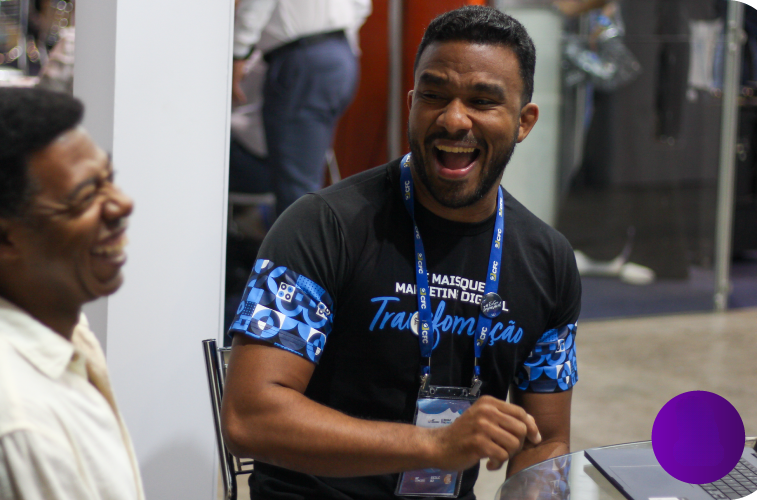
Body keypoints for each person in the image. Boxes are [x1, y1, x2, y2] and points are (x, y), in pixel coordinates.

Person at [222, 5, 581, 499]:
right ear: (412, 103)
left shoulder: (548, 261)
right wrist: (432, 445)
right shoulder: (323, 226)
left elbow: (548, 440)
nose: (454, 119)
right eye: (434, 95)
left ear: (524, 122)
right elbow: (249, 417)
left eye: (482, 101)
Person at [0, 88, 143, 500]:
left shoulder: (50, 325)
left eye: (109, 180)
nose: (122, 204)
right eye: (86, 196)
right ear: (0, 237)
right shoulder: (17, 425)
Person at [230, 0, 372, 215]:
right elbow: (361, 5)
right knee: (302, 175)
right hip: (340, 53)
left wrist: (237, 53)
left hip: (303, 57)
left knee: (296, 189)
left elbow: (256, 5)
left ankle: (295, 236)